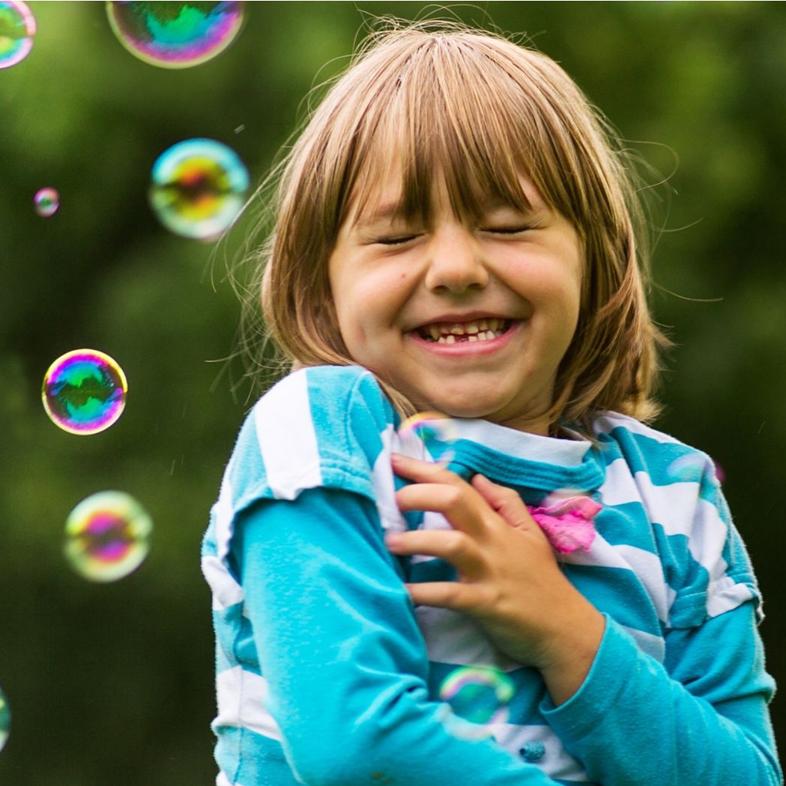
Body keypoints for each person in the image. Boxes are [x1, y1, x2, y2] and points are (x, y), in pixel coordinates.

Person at [201, 16, 781, 786]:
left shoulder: (675, 495)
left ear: (593, 262)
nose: (456, 267)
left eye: (508, 225)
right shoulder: (322, 434)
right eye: (397, 236)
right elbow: (356, 747)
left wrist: (565, 630)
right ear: (323, 285)